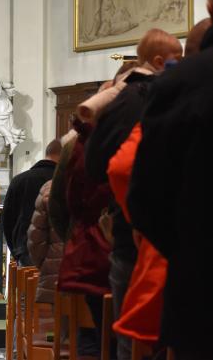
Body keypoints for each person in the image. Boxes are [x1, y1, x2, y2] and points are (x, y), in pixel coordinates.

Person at [127, 0, 213, 359]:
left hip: (201, 285)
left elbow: (145, 198)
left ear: (209, 3)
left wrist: (186, 249)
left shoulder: (179, 84)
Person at [84, 28, 182, 360]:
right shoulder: (177, 95)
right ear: (159, 61)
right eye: (177, 59)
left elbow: (97, 166)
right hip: (176, 235)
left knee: (131, 340)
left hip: (127, 233)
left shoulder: (120, 100)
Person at [1, 139, 61, 266]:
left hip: (24, 252)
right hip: (58, 256)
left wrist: (17, 250)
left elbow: (7, 220)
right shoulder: (64, 181)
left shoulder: (19, 180)